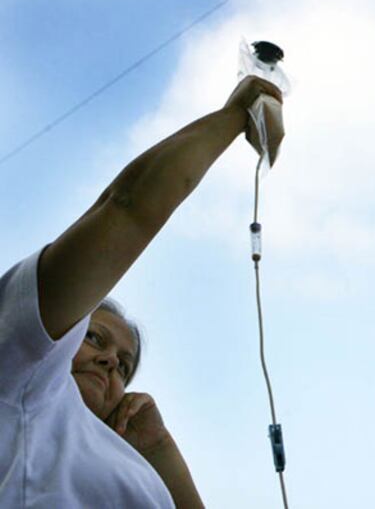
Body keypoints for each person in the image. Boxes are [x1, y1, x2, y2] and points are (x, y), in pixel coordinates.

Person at [0, 75, 284, 508]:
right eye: (93, 338)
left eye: (124, 365)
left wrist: (158, 450)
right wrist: (234, 116)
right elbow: (126, 208)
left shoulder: (124, 454)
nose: (111, 361)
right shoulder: (24, 376)